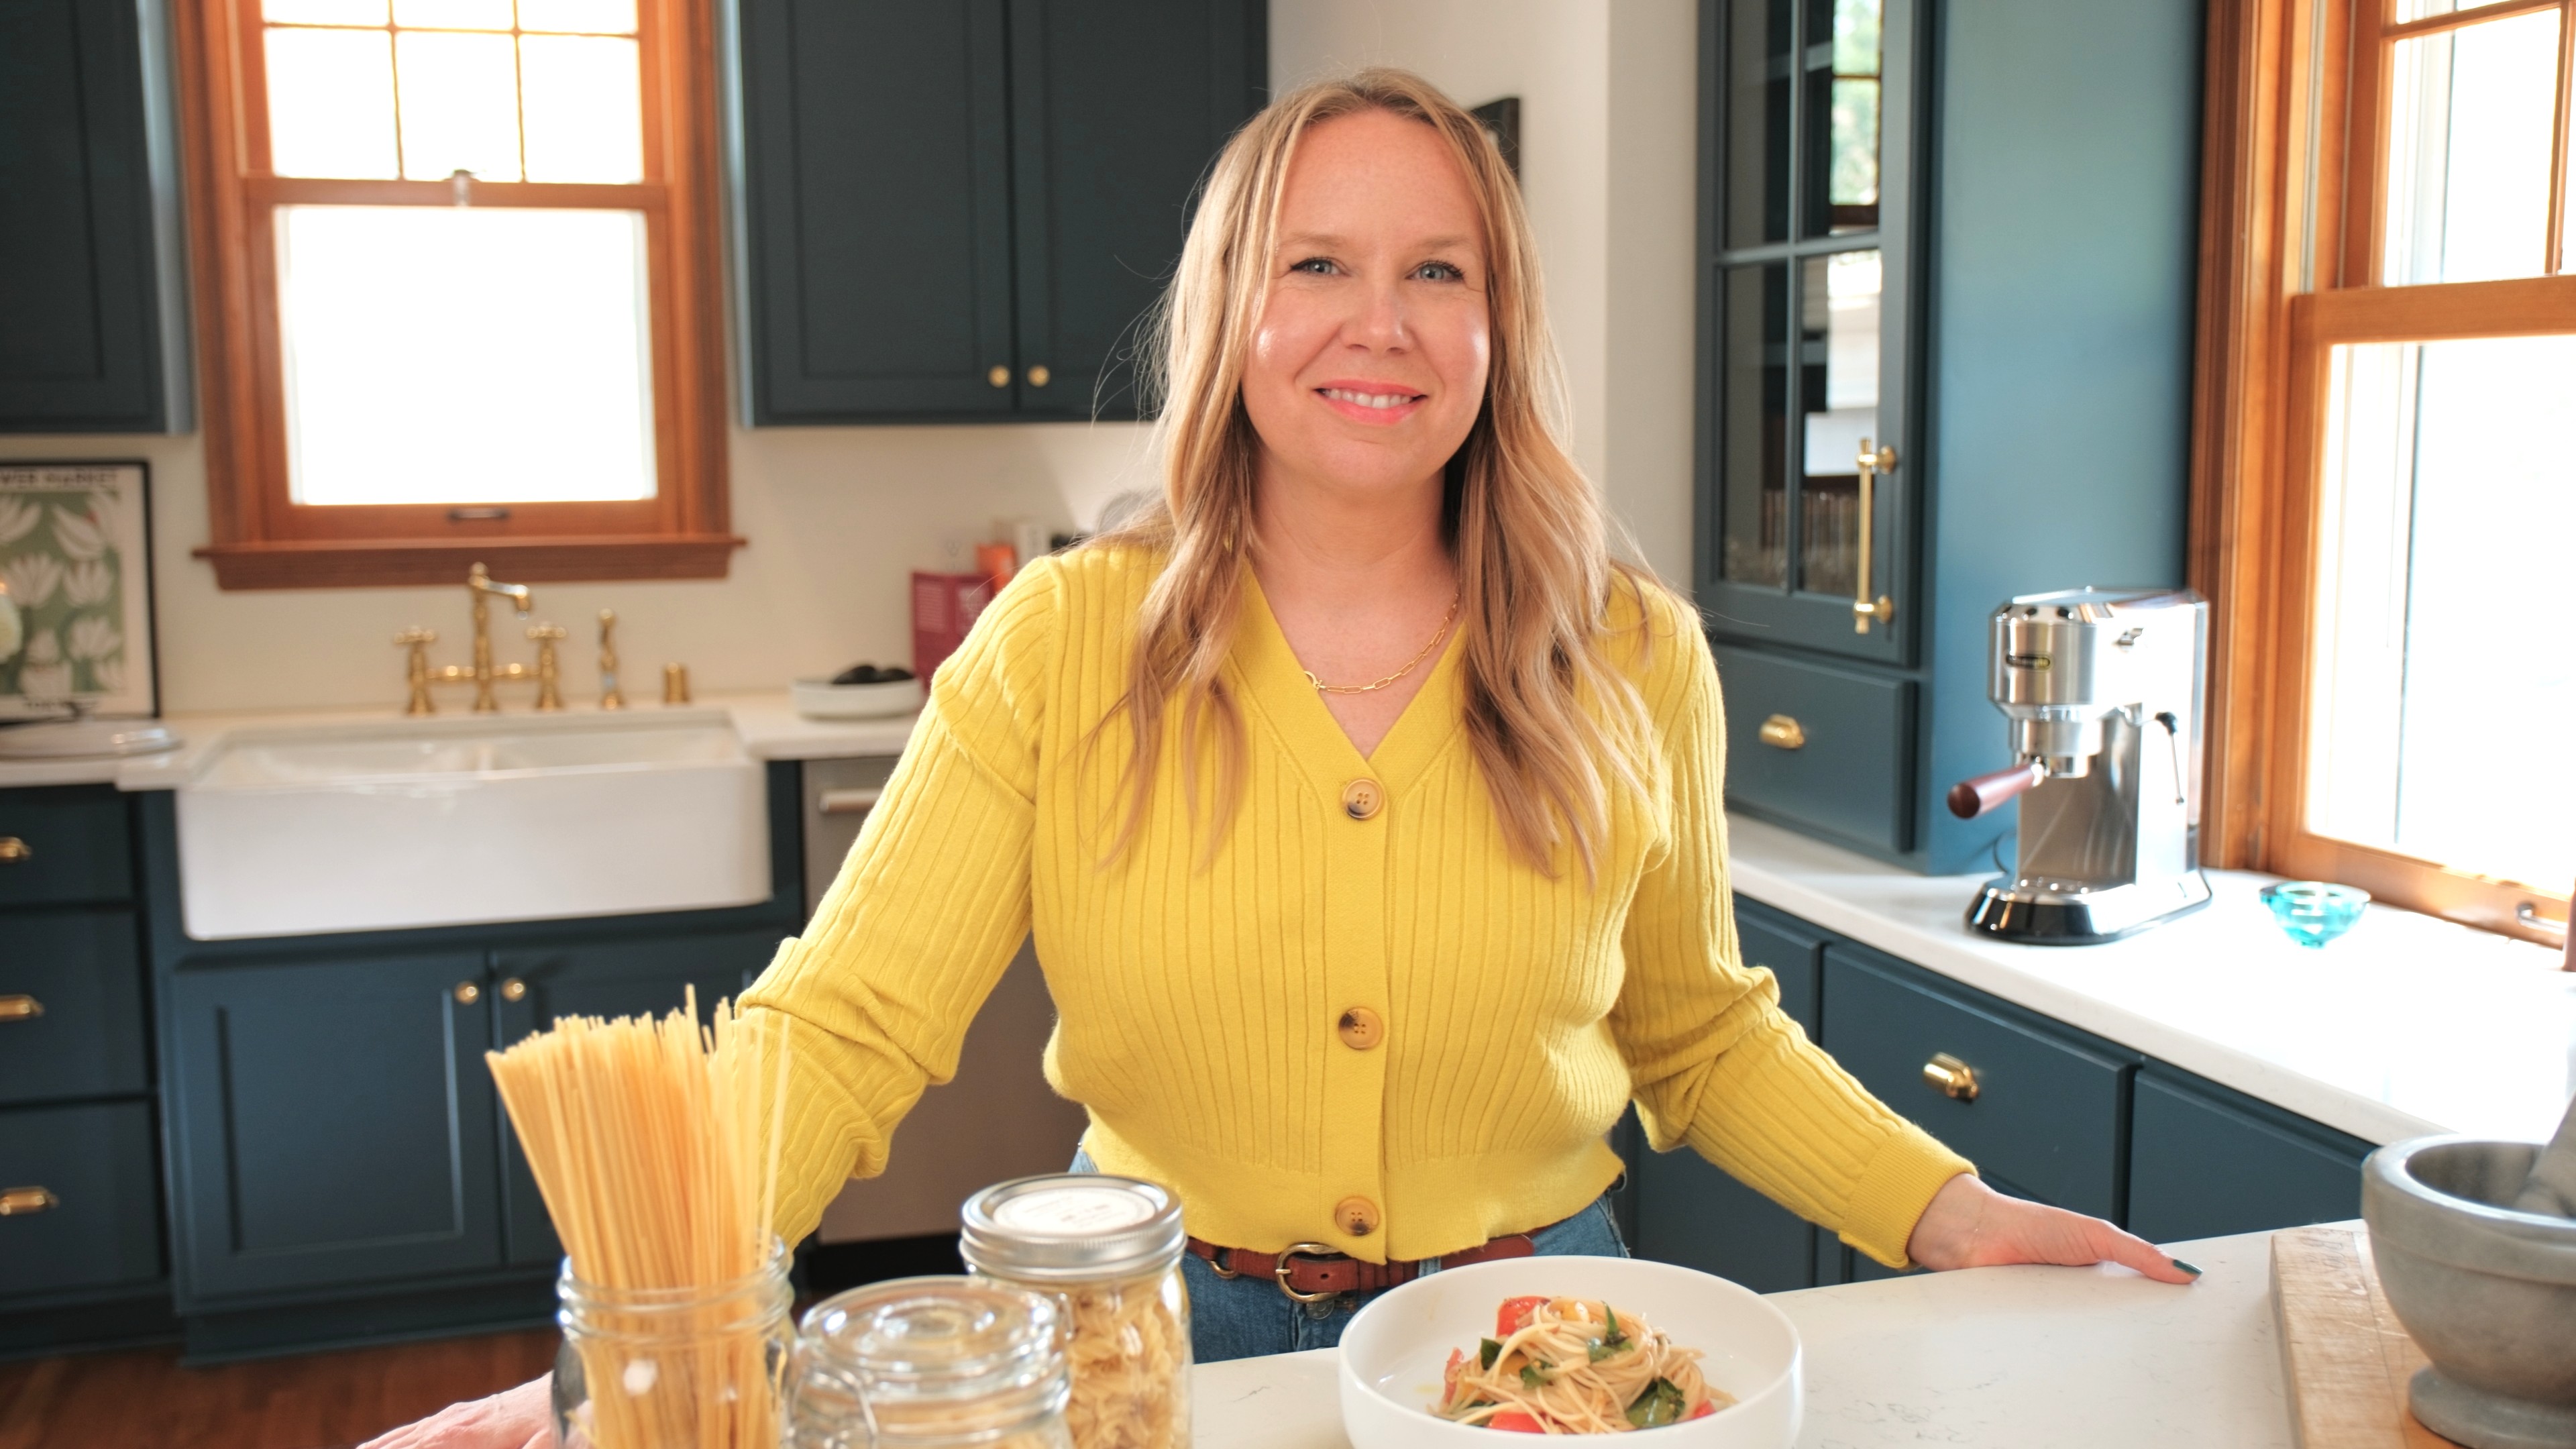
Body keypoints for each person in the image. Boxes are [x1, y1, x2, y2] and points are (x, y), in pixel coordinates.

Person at [362, 67, 2193, 1449]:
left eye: (1436, 270)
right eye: (1317, 263)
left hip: (1550, 1352)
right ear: (1236, 311)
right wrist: (637, 1343)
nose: (1377, 322)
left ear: (1498, 326)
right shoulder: (1069, 645)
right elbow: (842, 1027)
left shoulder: (1632, 655)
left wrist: (1948, 1216)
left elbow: (1701, 1036)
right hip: (1162, 1360)